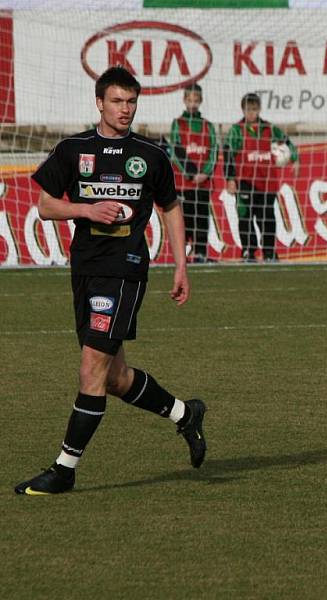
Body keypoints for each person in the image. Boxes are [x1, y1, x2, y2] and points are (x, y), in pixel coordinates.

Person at [14, 66, 208, 496]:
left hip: (126, 270)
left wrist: (180, 265)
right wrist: (86, 209)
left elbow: (171, 207)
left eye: (131, 101)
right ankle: (184, 413)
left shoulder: (151, 155)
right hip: (85, 268)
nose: (125, 109)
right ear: (99, 103)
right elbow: (46, 206)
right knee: (115, 377)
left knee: (91, 369)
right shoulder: (73, 150)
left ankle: (63, 470)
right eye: (118, 101)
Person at [224, 92, 297, 262]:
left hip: (267, 182)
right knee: (244, 215)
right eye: (248, 109)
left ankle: (269, 252)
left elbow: (287, 142)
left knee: (267, 217)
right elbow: (228, 153)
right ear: (243, 110)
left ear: (259, 109)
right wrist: (230, 178)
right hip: (245, 180)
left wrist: (295, 158)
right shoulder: (237, 130)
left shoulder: (269, 129)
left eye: (254, 109)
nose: (251, 113)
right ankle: (248, 250)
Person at [169, 83, 218, 263]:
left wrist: (204, 173)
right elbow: (175, 150)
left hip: (203, 182)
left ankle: (200, 252)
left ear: (201, 101)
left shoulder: (208, 126)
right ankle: (183, 253)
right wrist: (191, 174)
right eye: (189, 100)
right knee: (185, 218)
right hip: (185, 181)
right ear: (184, 100)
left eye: (196, 100)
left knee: (202, 217)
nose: (192, 103)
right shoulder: (178, 123)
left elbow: (213, 151)